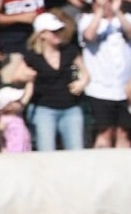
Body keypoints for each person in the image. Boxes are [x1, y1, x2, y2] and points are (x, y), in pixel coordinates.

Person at [79, 0, 131, 149]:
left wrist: (117, 11)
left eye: (107, 0)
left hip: (127, 86)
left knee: (124, 132)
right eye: (98, 1)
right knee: (104, 132)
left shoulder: (128, 18)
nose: (103, 4)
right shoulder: (87, 19)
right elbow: (89, 36)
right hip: (99, 87)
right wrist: (99, 12)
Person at [24, 12, 89, 151]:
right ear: (42, 34)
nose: (58, 34)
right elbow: (17, 76)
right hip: (44, 110)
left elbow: (85, 73)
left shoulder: (70, 50)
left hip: (71, 108)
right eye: (53, 31)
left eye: (59, 30)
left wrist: (82, 82)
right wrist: (26, 76)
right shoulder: (32, 56)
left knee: (76, 151)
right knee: (46, 150)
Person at [0, 84, 33, 153]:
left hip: (25, 151)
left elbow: (27, 95)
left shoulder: (18, 115)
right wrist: (2, 148)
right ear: (9, 107)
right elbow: (0, 135)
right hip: (12, 152)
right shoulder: (4, 119)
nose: (21, 102)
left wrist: (30, 82)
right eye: (17, 101)